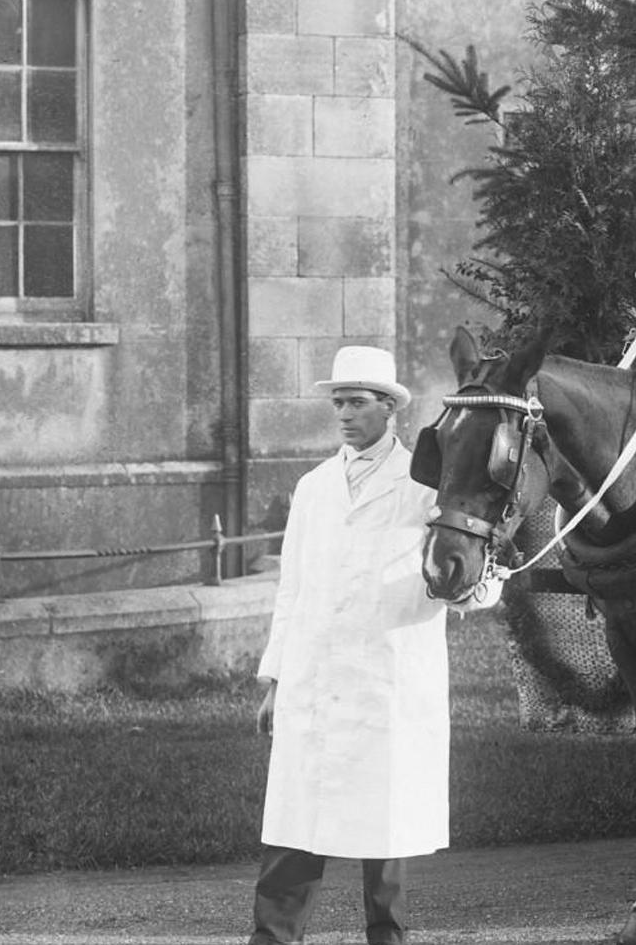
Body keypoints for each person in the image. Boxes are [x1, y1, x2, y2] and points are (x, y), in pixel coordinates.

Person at [249, 345, 445, 945]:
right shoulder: (314, 487)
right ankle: (274, 937)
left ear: (390, 409)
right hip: (314, 677)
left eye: (357, 402)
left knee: (382, 827)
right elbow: (293, 589)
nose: (344, 414)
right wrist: (275, 679)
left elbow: (458, 583)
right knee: (296, 821)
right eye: (339, 402)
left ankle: (387, 937)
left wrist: (480, 579)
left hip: (386, 678)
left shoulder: (424, 487)